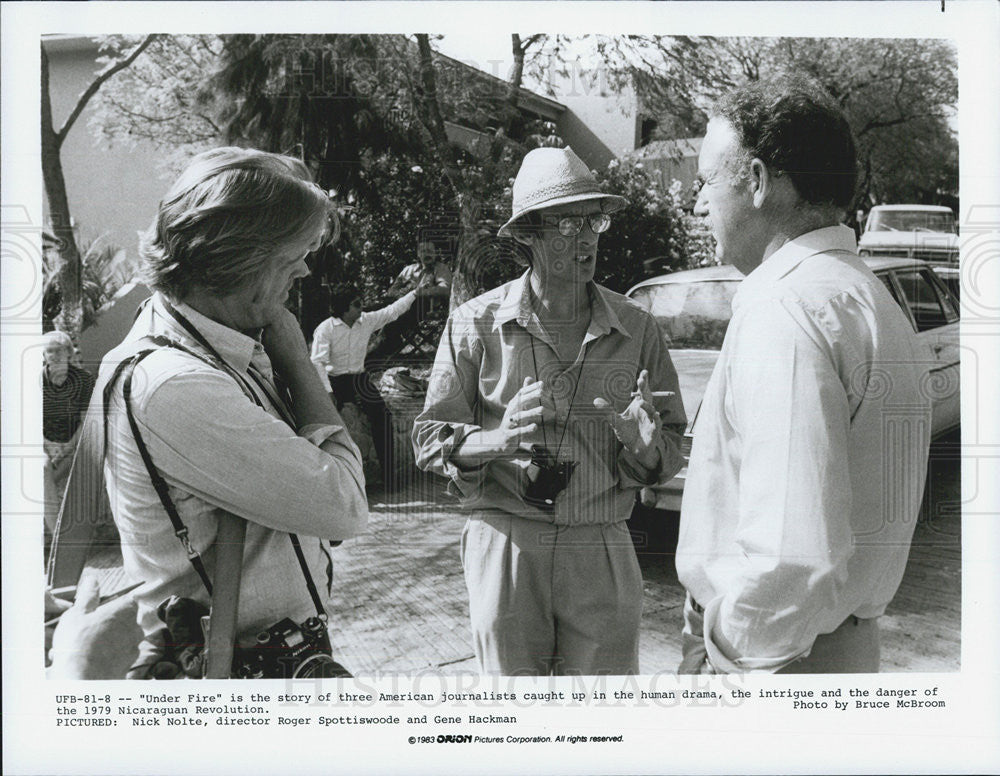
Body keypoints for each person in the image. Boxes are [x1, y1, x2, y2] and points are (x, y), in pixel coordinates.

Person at [674, 76, 931, 674]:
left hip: (771, 666)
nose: (697, 201)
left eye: (708, 179)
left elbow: (792, 558)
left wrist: (725, 655)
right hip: (839, 647)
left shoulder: (785, 308)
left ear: (760, 182)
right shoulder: (866, 296)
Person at [412, 146, 686, 676]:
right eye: (566, 223)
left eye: (594, 221)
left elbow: (671, 444)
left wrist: (648, 450)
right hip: (506, 535)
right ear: (529, 236)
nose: (585, 237)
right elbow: (429, 438)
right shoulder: (474, 324)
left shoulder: (638, 327)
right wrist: (498, 439)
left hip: (600, 538)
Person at [96, 147, 368, 678]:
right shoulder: (179, 385)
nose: (307, 268)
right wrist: (296, 359)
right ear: (241, 257)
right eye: (295, 253)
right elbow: (345, 508)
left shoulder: (213, 344)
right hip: (241, 676)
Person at [310, 283, 431, 477]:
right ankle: (326, 475)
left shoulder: (365, 320)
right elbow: (317, 362)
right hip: (334, 381)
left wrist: (415, 293)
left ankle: (389, 475)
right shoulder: (326, 329)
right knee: (326, 422)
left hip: (359, 379)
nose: (361, 308)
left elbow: (392, 312)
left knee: (382, 416)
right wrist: (328, 392)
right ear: (345, 307)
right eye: (357, 304)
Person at [42, 330, 95, 534]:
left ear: (68, 353)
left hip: (75, 445)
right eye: (49, 351)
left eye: (58, 350)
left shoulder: (83, 380)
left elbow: (86, 423)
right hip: (45, 446)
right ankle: (58, 535)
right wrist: (47, 447)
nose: (53, 355)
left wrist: (66, 448)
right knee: (43, 469)